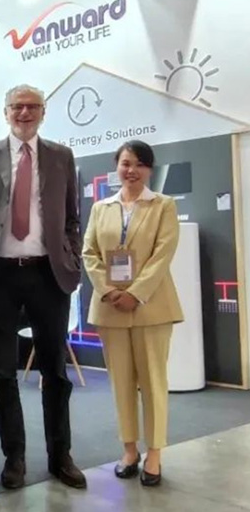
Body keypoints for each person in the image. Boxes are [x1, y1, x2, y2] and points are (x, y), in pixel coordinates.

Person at [0, 84, 87, 490]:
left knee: (55, 370)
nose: (24, 112)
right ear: (5, 112)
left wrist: (71, 256)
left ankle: (61, 456)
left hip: (47, 274)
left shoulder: (60, 156)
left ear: (43, 112)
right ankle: (14, 458)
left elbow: (72, 217)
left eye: (32, 106)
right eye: (17, 106)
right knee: (2, 372)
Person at [82, 140, 182, 487]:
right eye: (126, 163)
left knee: (153, 381)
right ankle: (129, 450)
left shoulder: (163, 205)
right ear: (117, 166)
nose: (132, 170)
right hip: (110, 307)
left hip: (152, 306)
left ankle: (154, 453)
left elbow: (163, 254)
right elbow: (89, 253)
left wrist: (135, 293)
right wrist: (109, 291)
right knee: (121, 382)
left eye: (140, 164)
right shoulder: (101, 208)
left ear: (149, 169)